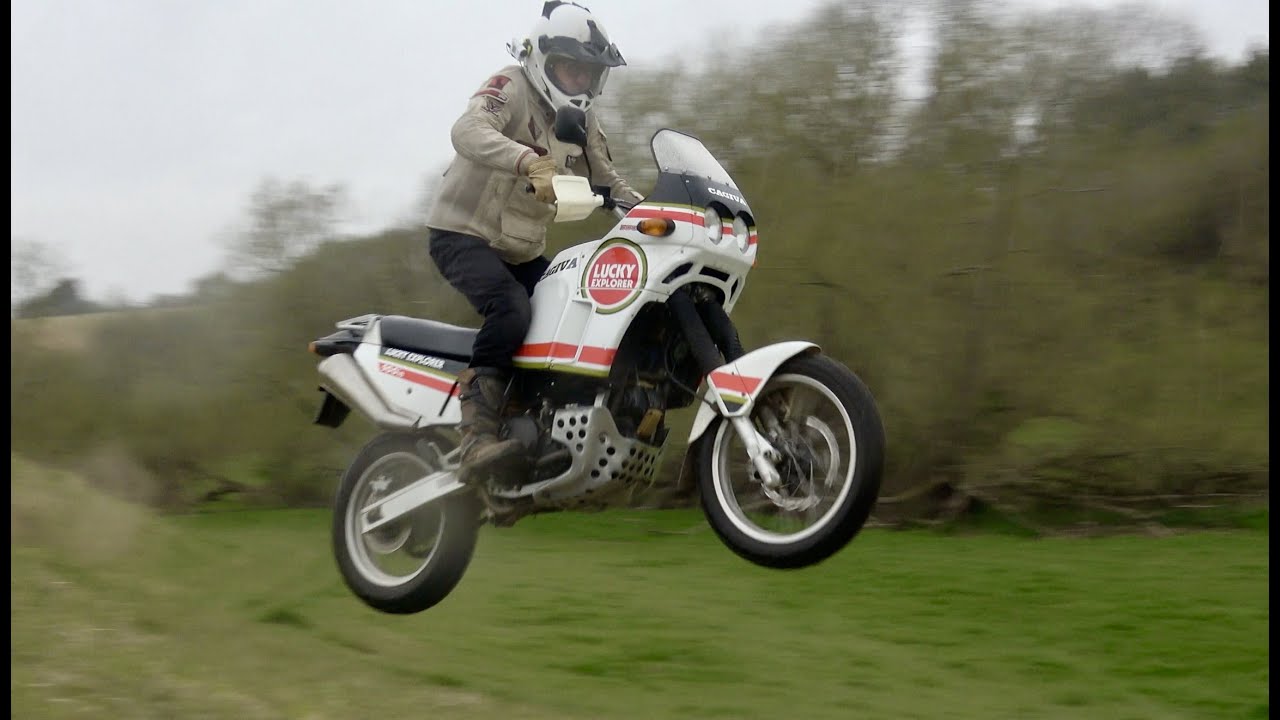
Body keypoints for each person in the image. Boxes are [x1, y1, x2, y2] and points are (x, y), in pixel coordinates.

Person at [425, 1, 645, 482]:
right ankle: (477, 437)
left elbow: (607, 178)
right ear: (544, 60)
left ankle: (530, 424)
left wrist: (655, 212)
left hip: (520, 249)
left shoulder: (581, 124)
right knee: (511, 308)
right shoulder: (511, 86)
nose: (580, 80)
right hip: (461, 233)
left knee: (571, 307)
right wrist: (526, 160)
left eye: (588, 72)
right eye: (570, 68)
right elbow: (467, 130)